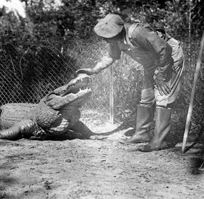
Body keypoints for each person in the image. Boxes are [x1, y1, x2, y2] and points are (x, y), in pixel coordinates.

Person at [76, 13, 185, 152]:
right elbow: (111, 56)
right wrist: (94, 70)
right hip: (152, 62)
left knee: (163, 96)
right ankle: (142, 134)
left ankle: (159, 141)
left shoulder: (137, 33)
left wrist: (161, 74)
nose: (106, 40)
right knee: (146, 96)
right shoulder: (115, 40)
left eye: (108, 37)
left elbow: (165, 48)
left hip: (168, 59)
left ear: (118, 31)